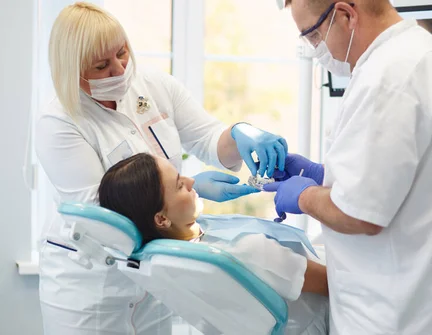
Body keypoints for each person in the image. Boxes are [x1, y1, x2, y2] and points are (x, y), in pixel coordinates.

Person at [35, 2, 287, 334]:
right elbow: (103, 211)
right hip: (89, 287)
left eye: (122, 53)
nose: (119, 69)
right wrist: (189, 186)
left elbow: (209, 138)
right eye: (101, 65)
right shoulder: (59, 122)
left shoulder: (154, 86)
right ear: (73, 71)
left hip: (154, 281)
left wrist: (241, 134)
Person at [264, 1, 432, 334]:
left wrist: (305, 196)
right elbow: (405, 178)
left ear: (345, 15)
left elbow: (361, 215)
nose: (314, 49)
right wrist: (322, 175)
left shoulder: (388, 78)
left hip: (408, 317)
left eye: (312, 35)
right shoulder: (427, 56)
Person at [98, 153, 329, 334]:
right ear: (161, 219)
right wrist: (315, 196)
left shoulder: (181, 258)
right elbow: (334, 283)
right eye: (179, 184)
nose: (192, 181)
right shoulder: (247, 251)